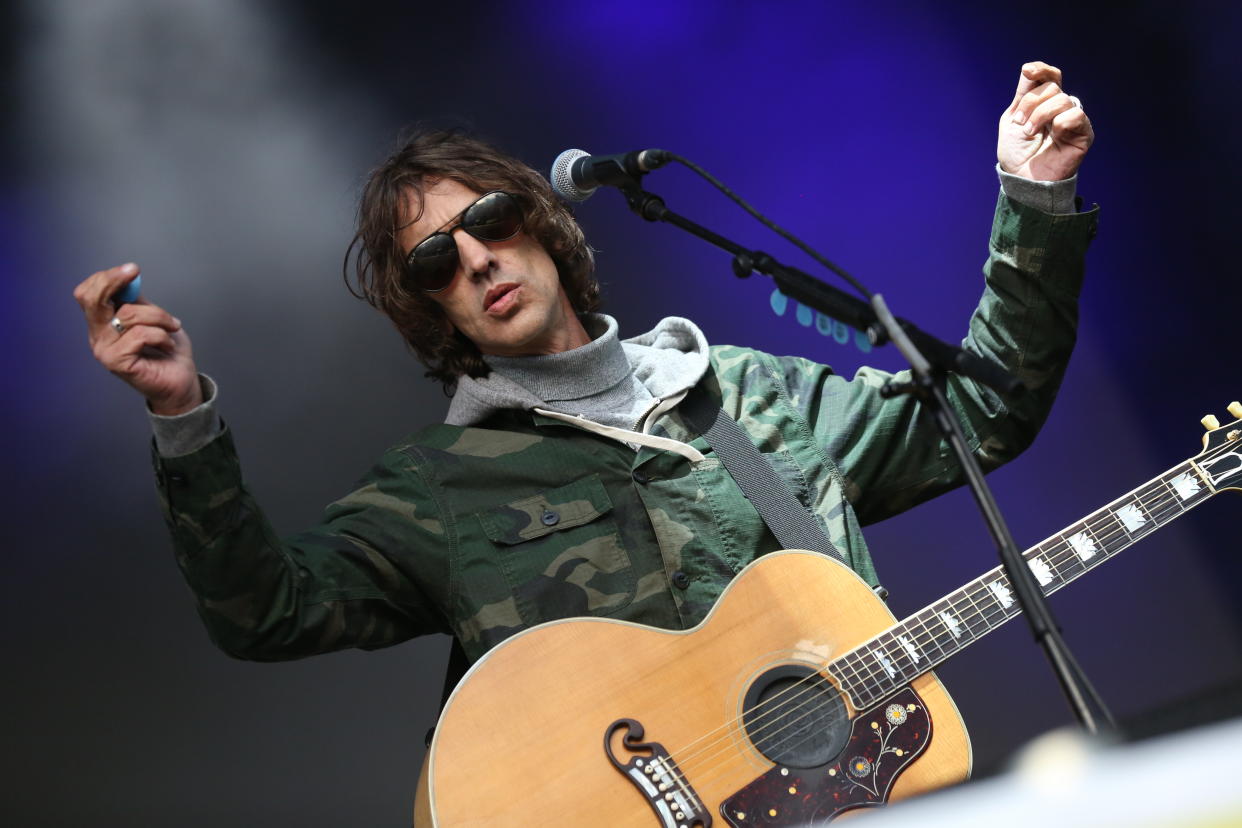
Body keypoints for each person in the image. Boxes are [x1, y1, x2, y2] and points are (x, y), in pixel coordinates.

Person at [74, 59, 1095, 714]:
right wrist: (184, 417)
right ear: (430, 309)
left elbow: (985, 412)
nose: (473, 259)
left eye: (488, 219)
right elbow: (269, 613)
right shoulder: (440, 485)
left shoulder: (745, 397)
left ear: (541, 223)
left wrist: (1034, 201)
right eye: (433, 263)